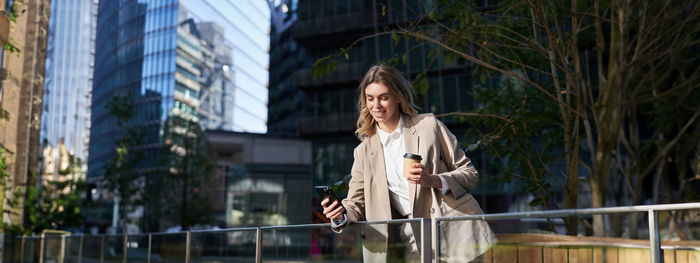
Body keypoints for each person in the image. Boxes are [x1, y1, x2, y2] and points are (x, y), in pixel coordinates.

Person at [320, 64, 497, 262]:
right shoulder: (363, 152)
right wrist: (339, 215)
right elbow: (356, 203)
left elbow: (470, 174)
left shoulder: (428, 126)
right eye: (370, 99)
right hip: (407, 241)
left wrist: (433, 180)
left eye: (383, 97)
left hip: (453, 232)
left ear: (398, 97)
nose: (376, 105)